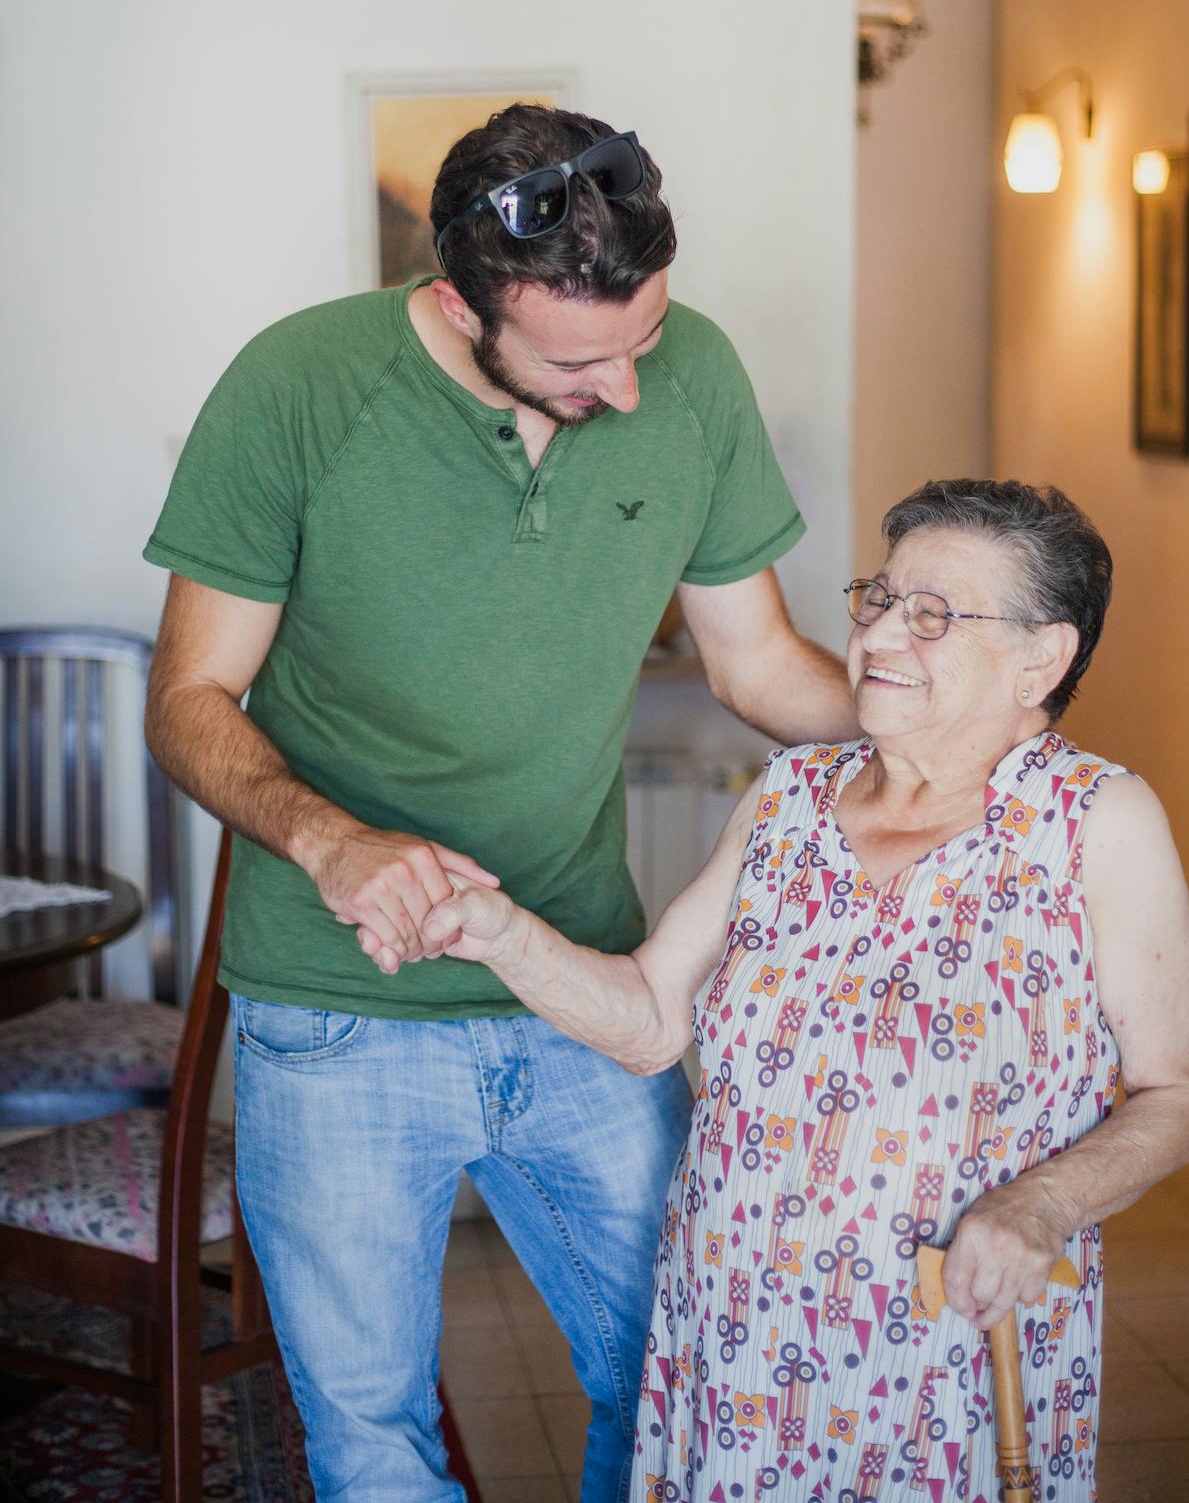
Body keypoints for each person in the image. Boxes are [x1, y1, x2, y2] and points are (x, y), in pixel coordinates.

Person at [142, 103, 859, 1503]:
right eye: (581, 359)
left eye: (641, 340)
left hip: (583, 986)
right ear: (460, 302)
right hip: (337, 1005)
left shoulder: (694, 373)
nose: (630, 390)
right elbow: (187, 703)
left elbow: (758, 665)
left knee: (678, 1380)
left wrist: (957, 723)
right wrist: (331, 841)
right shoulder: (298, 385)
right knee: (369, 1439)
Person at [365, 478, 1189, 1502]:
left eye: (933, 614)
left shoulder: (1091, 818)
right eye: (877, 598)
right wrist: (497, 931)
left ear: (1041, 656)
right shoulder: (791, 796)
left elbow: (1187, 1090)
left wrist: (1040, 1204)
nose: (876, 636)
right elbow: (647, 1020)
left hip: (944, 1334)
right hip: (738, 1331)